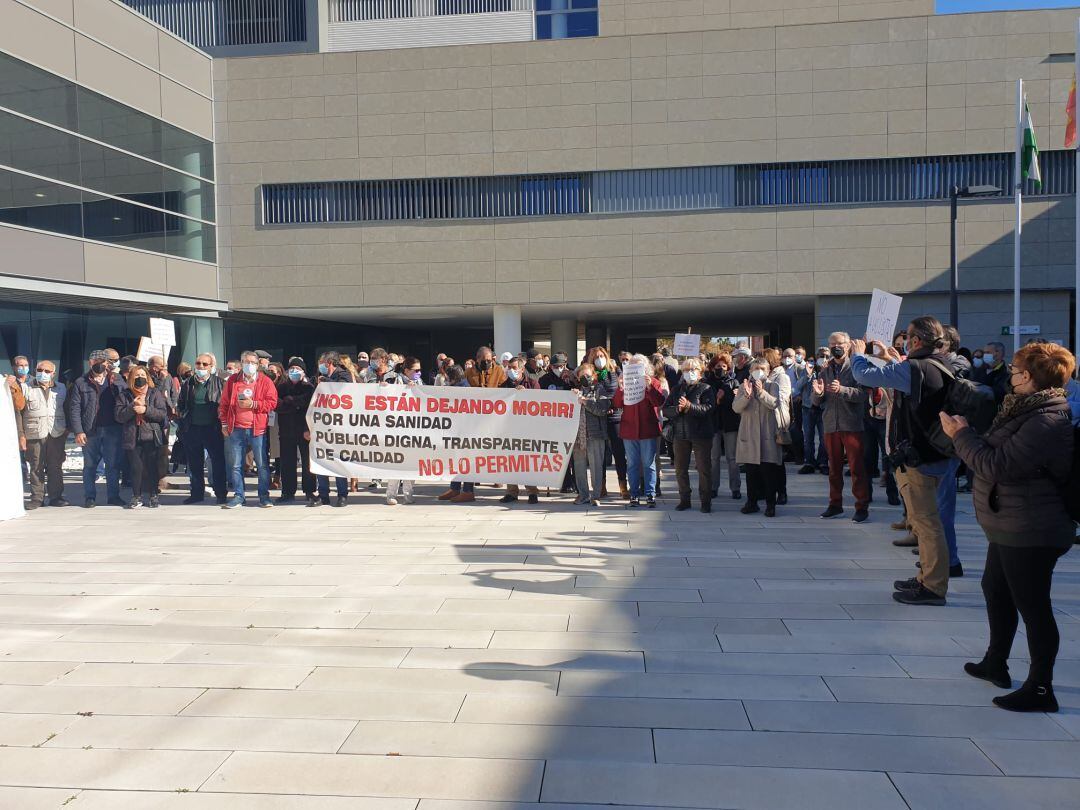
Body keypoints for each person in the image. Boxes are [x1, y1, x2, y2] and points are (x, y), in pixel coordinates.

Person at [940, 341, 1076, 712]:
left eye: (1015, 370)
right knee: (995, 589)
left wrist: (961, 436)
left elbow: (997, 465)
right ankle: (995, 662)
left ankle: (1041, 688)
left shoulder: (1046, 419)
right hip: (1010, 521)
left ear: (1028, 376)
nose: (1011, 375)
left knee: (1033, 605)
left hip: (1033, 526)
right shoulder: (1024, 409)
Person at [851, 318, 956, 606]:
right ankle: (926, 576)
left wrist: (858, 354)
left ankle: (933, 586)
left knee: (926, 524)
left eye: (908, 337)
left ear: (916, 341)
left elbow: (864, 377)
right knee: (927, 521)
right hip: (936, 453)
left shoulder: (914, 368)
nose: (905, 342)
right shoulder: (939, 364)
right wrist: (889, 358)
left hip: (919, 456)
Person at [812, 332, 870, 522]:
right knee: (833, 469)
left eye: (839, 343)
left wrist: (843, 390)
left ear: (848, 345)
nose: (835, 347)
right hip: (831, 424)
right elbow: (816, 401)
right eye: (832, 344)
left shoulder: (857, 366)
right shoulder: (825, 369)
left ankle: (861, 506)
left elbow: (863, 395)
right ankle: (835, 504)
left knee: (856, 468)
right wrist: (818, 394)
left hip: (851, 423)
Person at [219, 351, 278, 509]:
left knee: (262, 464)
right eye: (246, 361)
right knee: (236, 464)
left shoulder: (265, 381)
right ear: (241, 363)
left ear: (258, 365)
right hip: (236, 428)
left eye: (252, 362)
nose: (249, 365)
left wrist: (254, 404)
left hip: (257, 429)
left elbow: (272, 402)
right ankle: (239, 496)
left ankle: (264, 496)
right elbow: (223, 404)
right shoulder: (232, 381)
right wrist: (224, 424)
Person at [69, 349, 127, 508]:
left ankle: (113, 496)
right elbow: (74, 409)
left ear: (107, 364)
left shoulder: (116, 379)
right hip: (90, 430)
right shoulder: (81, 382)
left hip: (112, 429)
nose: (99, 365)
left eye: (103, 363)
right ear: (90, 363)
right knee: (90, 465)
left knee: (113, 465)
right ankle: (90, 497)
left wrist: (116, 381)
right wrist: (78, 431)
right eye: (96, 363)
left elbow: (125, 396)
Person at [733, 356, 789, 517]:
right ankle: (751, 502)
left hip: (767, 434)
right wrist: (747, 396)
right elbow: (736, 408)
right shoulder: (744, 387)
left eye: (762, 369)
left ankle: (770, 504)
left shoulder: (773, 385)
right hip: (749, 435)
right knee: (751, 473)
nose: (758, 372)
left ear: (768, 371)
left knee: (768, 472)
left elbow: (774, 403)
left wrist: (761, 392)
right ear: (750, 371)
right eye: (755, 369)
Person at [662, 357, 715, 513]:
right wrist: (678, 410)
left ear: (700, 372)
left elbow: (708, 408)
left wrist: (689, 406)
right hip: (680, 434)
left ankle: (706, 501)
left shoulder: (706, 388)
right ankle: (684, 499)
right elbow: (666, 410)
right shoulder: (676, 389)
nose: (689, 373)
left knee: (704, 469)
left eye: (693, 370)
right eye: (686, 370)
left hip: (701, 434)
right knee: (680, 469)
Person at [613, 353, 664, 507]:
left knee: (649, 464)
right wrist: (620, 388)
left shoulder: (654, 382)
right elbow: (617, 404)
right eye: (633, 365)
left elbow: (659, 401)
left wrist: (649, 387)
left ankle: (650, 494)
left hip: (648, 429)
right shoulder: (626, 383)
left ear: (646, 367)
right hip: (629, 430)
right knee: (633, 464)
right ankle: (634, 494)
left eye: (639, 365)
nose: (636, 367)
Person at [114, 364, 168, 509]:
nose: (140, 378)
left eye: (143, 376)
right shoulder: (124, 395)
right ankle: (136, 496)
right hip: (132, 435)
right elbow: (119, 416)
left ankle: (153, 495)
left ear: (148, 378)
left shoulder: (154, 393)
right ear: (131, 378)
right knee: (136, 467)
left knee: (152, 466)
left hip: (150, 435)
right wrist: (132, 407)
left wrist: (145, 409)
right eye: (137, 376)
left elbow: (161, 414)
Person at [177, 353, 227, 505]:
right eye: (198, 363)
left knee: (217, 462)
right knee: (194, 463)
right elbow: (182, 403)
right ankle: (197, 493)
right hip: (192, 428)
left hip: (212, 428)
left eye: (205, 364)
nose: (201, 367)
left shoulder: (219, 383)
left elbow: (224, 404)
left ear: (212, 367)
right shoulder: (188, 383)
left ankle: (221, 494)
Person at [21, 359, 67, 509]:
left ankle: (56, 497)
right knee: (36, 466)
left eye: (47, 371)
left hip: (56, 432)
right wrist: (21, 434)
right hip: (34, 432)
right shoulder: (26, 387)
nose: (43, 374)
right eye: (40, 370)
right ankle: (37, 498)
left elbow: (66, 409)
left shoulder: (61, 388)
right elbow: (20, 412)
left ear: (53, 374)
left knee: (55, 466)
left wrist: (67, 431)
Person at [308, 351, 351, 507]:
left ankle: (342, 494)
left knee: (338, 460)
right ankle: (323, 494)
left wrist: (326, 382)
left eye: (321, 362)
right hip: (321, 425)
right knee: (321, 459)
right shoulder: (317, 378)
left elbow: (345, 392)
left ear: (328, 363)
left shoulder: (344, 375)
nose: (320, 366)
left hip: (338, 425)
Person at [586, 346, 627, 499]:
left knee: (619, 453)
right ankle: (601, 486)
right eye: (596, 357)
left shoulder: (616, 372)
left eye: (601, 356)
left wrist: (612, 405)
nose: (599, 359)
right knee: (600, 456)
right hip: (597, 417)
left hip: (615, 417)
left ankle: (623, 486)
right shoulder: (590, 374)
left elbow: (619, 391)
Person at [499, 357, 541, 505]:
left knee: (527, 462)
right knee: (510, 461)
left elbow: (540, 404)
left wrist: (526, 394)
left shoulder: (533, 383)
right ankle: (511, 492)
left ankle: (532, 492)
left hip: (528, 429)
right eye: (509, 367)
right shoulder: (504, 386)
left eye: (514, 367)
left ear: (522, 369)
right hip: (509, 429)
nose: (511, 370)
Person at [275, 357, 316, 504]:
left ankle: (310, 491)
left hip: (304, 430)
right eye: (291, 369)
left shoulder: (309, 388)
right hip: (286, 430)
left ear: (303, 372)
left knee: (307, 462)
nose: (294, 371)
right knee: (287, 462)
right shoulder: (281, 387)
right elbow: (278, 405)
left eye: (297, 369)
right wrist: (295, 403)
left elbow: (308, 407)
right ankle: (287, 492)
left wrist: (290, 401)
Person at [437, 365, 478, 503]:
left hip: (465, 431)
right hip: (458, 430)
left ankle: (467, 491)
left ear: (453, 377)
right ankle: (455, 488)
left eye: (447, 378)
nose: (446, 380)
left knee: (465, 461)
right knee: (456, 460)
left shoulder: (463, 390)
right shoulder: (458, 388)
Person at [573, 363, 612, 506]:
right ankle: (583, 495)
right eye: (582, 376)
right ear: (578, 377)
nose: (585, 378)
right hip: (578, 436)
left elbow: (602, 409)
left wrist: (585, 402)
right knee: (579, 467)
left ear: (594, 376)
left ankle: (596, 495)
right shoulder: (575, 392)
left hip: (595, 434)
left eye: (588, 375)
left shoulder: (600, 390)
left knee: (596, 467)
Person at [540, 352, 578, 493]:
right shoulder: (544, 379)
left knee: (573, 455)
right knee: (559, 455)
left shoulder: (572, 376)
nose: (559, 369)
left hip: (570, 422)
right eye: (556, 366)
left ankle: (575, 482)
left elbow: (581, 390)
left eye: (562, 366)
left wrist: (574, 383)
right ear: (551, 366)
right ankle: (564, 482)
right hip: (553, 423)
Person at [708, 353, 742, 500]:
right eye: (717, 366)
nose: (720, 369)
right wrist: (718, 399)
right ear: (712, 367)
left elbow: (737, 402)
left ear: (728, 368)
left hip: (730, 424)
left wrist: (727, 396)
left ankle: (735, 488)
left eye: (723, 366)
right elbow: (707, 404)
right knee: (714, 458)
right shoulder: (707, 382)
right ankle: (713, 487)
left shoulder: (734, 382)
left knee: (732, 458)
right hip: (713, 425)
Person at [800, 348, 829, 475]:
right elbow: (798, 386)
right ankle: (809, 462)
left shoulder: (831, 369)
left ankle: (823, 462)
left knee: (824, 438)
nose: (824, 358)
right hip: (808, 408)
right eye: (821, 356)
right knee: (808, 437)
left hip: (823, 408)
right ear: (816, 357)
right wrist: (808, 375)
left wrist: (825, 372)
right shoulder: (807, 369)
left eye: (826, 356)